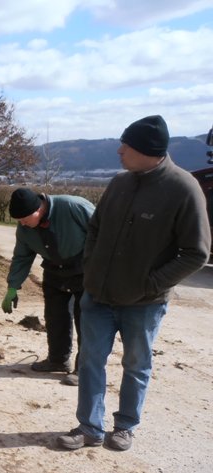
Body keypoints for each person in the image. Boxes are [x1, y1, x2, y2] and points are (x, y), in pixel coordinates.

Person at [57, 115, 211, 452]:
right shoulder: (119, 183)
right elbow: (95, 228)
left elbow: (196, 253)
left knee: (136, 365)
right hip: (98, 296)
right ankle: (89, 427)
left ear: (147, 150)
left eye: (126, 145)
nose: (119, 151)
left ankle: (125, 426)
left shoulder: (183, 189)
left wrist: (151, 284)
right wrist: (91, 267)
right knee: (90, 361)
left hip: (144, 303)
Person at [2, 188, 95, 386]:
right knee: (55, 317)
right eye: (19, 220)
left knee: (86, 320)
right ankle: (58, 360)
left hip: (85, 271)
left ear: (38, 209)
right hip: (54, 272)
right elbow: (22, 257)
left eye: (24, 219)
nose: (22, 223)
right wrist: (13, 287)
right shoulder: (25, 227)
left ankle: (85, 369)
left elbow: (104, 233)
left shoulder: (73, 207)